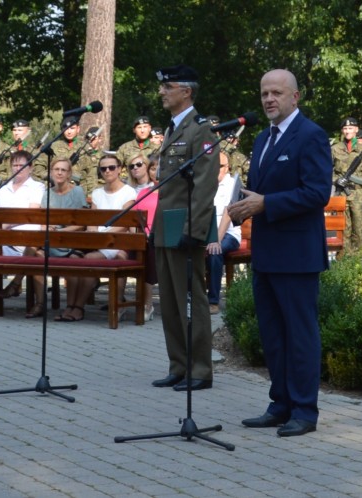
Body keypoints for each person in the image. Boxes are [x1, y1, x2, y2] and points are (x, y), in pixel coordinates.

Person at [227, 69, 332, 437]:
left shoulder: (311, 135)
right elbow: (259, 193)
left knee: (300, 335)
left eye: (276, 93)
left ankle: (304, 411)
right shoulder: (261, 139)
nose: (269, 99)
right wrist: (242, 207)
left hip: (298, 255)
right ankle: (280, 403)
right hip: (267, 253)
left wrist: (265, 203)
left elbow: (317, 193)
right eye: (263, 93)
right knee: (272, 334)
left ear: (295, 97)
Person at [151, 64, 219, 392]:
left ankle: (200, 370)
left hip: (186, 228)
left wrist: (193, 229)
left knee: (191, 298)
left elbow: (205, 186)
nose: (162, 92)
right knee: (170, 301)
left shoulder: (200, 129)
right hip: (166, 225)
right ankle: (178, 365)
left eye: (169, 87)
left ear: (186, 92)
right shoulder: (172, 128)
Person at [54, 155, 136, 322]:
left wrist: (103, 237)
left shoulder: (129, 192)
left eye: (111, 167)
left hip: (116, 241)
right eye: (103, 168)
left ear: (119, 169)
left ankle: (78, 307)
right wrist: (94, 235)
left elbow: (124, 223)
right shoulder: (97, 192)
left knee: (89, 260)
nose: (107, 171)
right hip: (97, 241)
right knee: (74, 258)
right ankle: (70, 306)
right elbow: (92, 221)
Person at [0, 150, 45, 315]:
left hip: (24, 241)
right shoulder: (4, 188)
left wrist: (6, 225)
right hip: (2, 239)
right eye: (15, 165)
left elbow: (32, 213)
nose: (18, 168)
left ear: (30, 168)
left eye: (22, 165)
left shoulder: (37, 187)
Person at [21, 158, 87, 319]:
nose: (59, 172)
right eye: (56, 169)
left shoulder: (77, 191)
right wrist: (47, 228)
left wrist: (59, 231)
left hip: (71, 241)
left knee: (72, 262)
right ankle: (40, 303)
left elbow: (82, 223)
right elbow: (43, 222)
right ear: (51, 173)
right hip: (52, 242)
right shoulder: (47, 194)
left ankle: (71, 307)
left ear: (69, 173)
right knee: (36, 256)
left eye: (63, 170)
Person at [331, 117, 362, 252]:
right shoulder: (335, 149)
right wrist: (336, 180)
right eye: (345, 129)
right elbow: (325, 170)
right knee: (343, 229)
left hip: (359, 194)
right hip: (342, 194)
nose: (347, 131)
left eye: (350, 128)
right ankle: (343, 261)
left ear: (356, 130)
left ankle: (358, 261)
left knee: (359, 229)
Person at [206, 152, 241, 315]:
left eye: (219, 166)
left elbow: (228, 214)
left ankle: (213, 301)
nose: (215, 169)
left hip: (229, 233)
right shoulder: (205, 185)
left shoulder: (233, 184)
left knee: (215, 251)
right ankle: (192, 297)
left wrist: (216, 240)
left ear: (227, 168)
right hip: (207, 231)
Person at [127, 152, 158, 321]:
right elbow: (133, 219)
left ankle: (147, 305)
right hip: (142, 237)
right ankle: (121, 303)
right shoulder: (143, 192)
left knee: (149, 252)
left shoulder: (172, 193)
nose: (156, 172)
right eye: (153, 168)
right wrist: (136, 236)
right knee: (130, 250)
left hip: (160, 236)